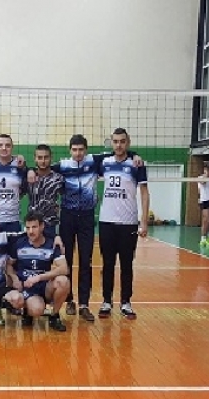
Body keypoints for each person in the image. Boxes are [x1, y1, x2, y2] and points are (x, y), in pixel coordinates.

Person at [49, 134, 142, 322]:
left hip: (86, 217)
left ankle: (84, 304)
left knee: (86, 261)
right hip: (67, 217)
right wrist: (28, 169)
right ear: (69, 150)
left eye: (81, 150)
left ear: (86, 150)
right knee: (67, 260)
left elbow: (119, 152)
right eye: (74, 150)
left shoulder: (94, 161)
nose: (78, 153)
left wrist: (134, 155)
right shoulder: (63, 166)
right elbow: (43, 168)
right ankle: (69, 300)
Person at [97, 128, 149, 320]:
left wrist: (144, 221)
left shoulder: (137, 164)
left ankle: (126, 302)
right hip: (107, 221)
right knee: (107, 264)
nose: (119, 145)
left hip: (128, 223)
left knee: (127, 264)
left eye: (122, 141)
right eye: (116, 141)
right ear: (111, 142)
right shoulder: (104, 161)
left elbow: (144, 193)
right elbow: (82, 158)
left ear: (128, 142)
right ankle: (106, 301)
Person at [5, 212, 69, 331]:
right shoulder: (19, 243)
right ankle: (27, 311)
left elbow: (64, 268)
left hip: (44, 286)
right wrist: (14, 278)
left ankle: (54, 315)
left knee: (63, 281)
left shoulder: (51, 244)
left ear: (42, 226)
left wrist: (39, 277)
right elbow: (8, 264)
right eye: (28, 227)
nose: (30, 231)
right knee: (37, 310)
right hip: (27, 287)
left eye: (34, 227)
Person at [0, 134, 27, 232]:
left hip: (12, 220)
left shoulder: (20, 165)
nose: (4, 148)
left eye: (7, 145)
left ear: (12, 147)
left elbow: (25, 187)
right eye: (0, 145)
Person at [27, 144, 64, 239]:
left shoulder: (58, 178)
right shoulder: (28, 177)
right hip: (32, 224)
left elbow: (67, 196)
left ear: (51, 158)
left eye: (46, 157)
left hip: (50, 225)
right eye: (39, 157)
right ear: (35, 158)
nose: (43, 161)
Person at [198, 162, 209, 247]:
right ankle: (203, 238)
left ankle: (207, 238)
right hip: (204, 201)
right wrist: (206, 173)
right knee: (206, 220)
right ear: (207, 170)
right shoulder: (201, 178)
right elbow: (203, 183)